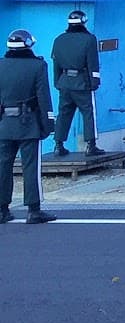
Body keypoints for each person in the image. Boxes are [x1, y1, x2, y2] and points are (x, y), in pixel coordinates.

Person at [1, 29, 57, 224]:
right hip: (28, 123)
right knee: (31, 167)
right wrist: (48, 125)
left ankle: (2, 209)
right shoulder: (37, 66)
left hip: (4, 124)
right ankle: (33, 210)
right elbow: (44, 98)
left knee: (3, 166)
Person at [51, 8, 105, 158]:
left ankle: (58, 145)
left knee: (63, 114)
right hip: (82, 83)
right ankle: (91, 145)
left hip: (64, 82)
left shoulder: (58, 39)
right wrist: (95, 82)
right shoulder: (89, 39)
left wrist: (57, 82)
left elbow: (56, 64)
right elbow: (92, 63)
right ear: (83, 23)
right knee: (88, 113)